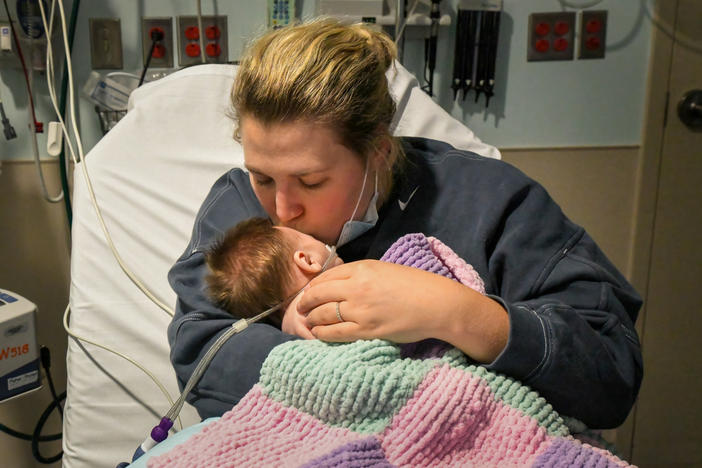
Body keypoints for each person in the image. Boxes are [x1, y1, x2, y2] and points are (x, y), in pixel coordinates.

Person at [168, 18, 643, 429]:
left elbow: (612, 371)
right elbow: (200, 345)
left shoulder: (492, 203)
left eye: (311, 181)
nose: (283, 208)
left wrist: (461, 315)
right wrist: (308, 356)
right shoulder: (236, 209)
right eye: (264, 177)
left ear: (378, 149)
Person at [204, 216, 341, 339]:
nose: (325, 244)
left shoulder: (287, 329)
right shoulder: (332, 291)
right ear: (307, 261)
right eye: (313, 239)